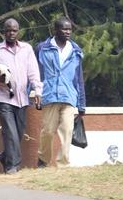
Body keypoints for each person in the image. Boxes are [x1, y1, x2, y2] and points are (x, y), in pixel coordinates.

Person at [0, 18, 41, 174]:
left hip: (22, 98)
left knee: (19, 133)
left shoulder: (26, 49)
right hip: (3, 98)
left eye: (14, 30)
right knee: (10, 132)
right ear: (3, 32)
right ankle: (12, 167)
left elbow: (33, 72)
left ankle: (4, 156)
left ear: (18, 32)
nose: (11, 33)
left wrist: (37, 90)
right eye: (8, 30)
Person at [36, 17, 86, 167]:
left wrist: (81, 104)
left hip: (69, 96)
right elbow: (35, 73)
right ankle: (43, 160)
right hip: (49, 95)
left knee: (67, 130)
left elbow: (79, 78)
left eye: (70, 29)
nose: (68, 32)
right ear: (55, 30)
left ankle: (63, 164)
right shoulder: (42, 48)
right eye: (64, 29)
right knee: (48, 131)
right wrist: (34, 93)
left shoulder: (76, 51)